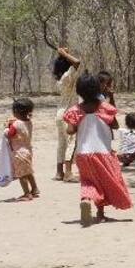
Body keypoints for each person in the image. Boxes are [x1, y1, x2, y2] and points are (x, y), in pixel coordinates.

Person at [64, 74, 133, 227]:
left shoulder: (75, 110)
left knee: (88, 181)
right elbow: (114, 125)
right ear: (97, 89)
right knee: (104, 181)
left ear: (79, 91)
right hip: (103, 152)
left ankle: (86, 199)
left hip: (83, 153)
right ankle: (100, 214)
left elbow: (70, 131)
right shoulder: (105, 108)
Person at [52, 48, 82, 181]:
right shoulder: (67, 76)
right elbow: (77, 62)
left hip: (60, 113)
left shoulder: (59, 80)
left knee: (62, 143)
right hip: (69, 112)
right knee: (71, 141)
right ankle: (68, 173)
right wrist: (64, 54)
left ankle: (59, 172)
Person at [7, 98, 39, 201]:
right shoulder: (29, 122)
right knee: (28, 171)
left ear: (16, 111)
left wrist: (8, 126)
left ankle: (26, 193)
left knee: (21, 174)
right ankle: (34, 188)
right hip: (28, 150)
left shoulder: (16, 124)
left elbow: (10, 134)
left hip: (19, 152)